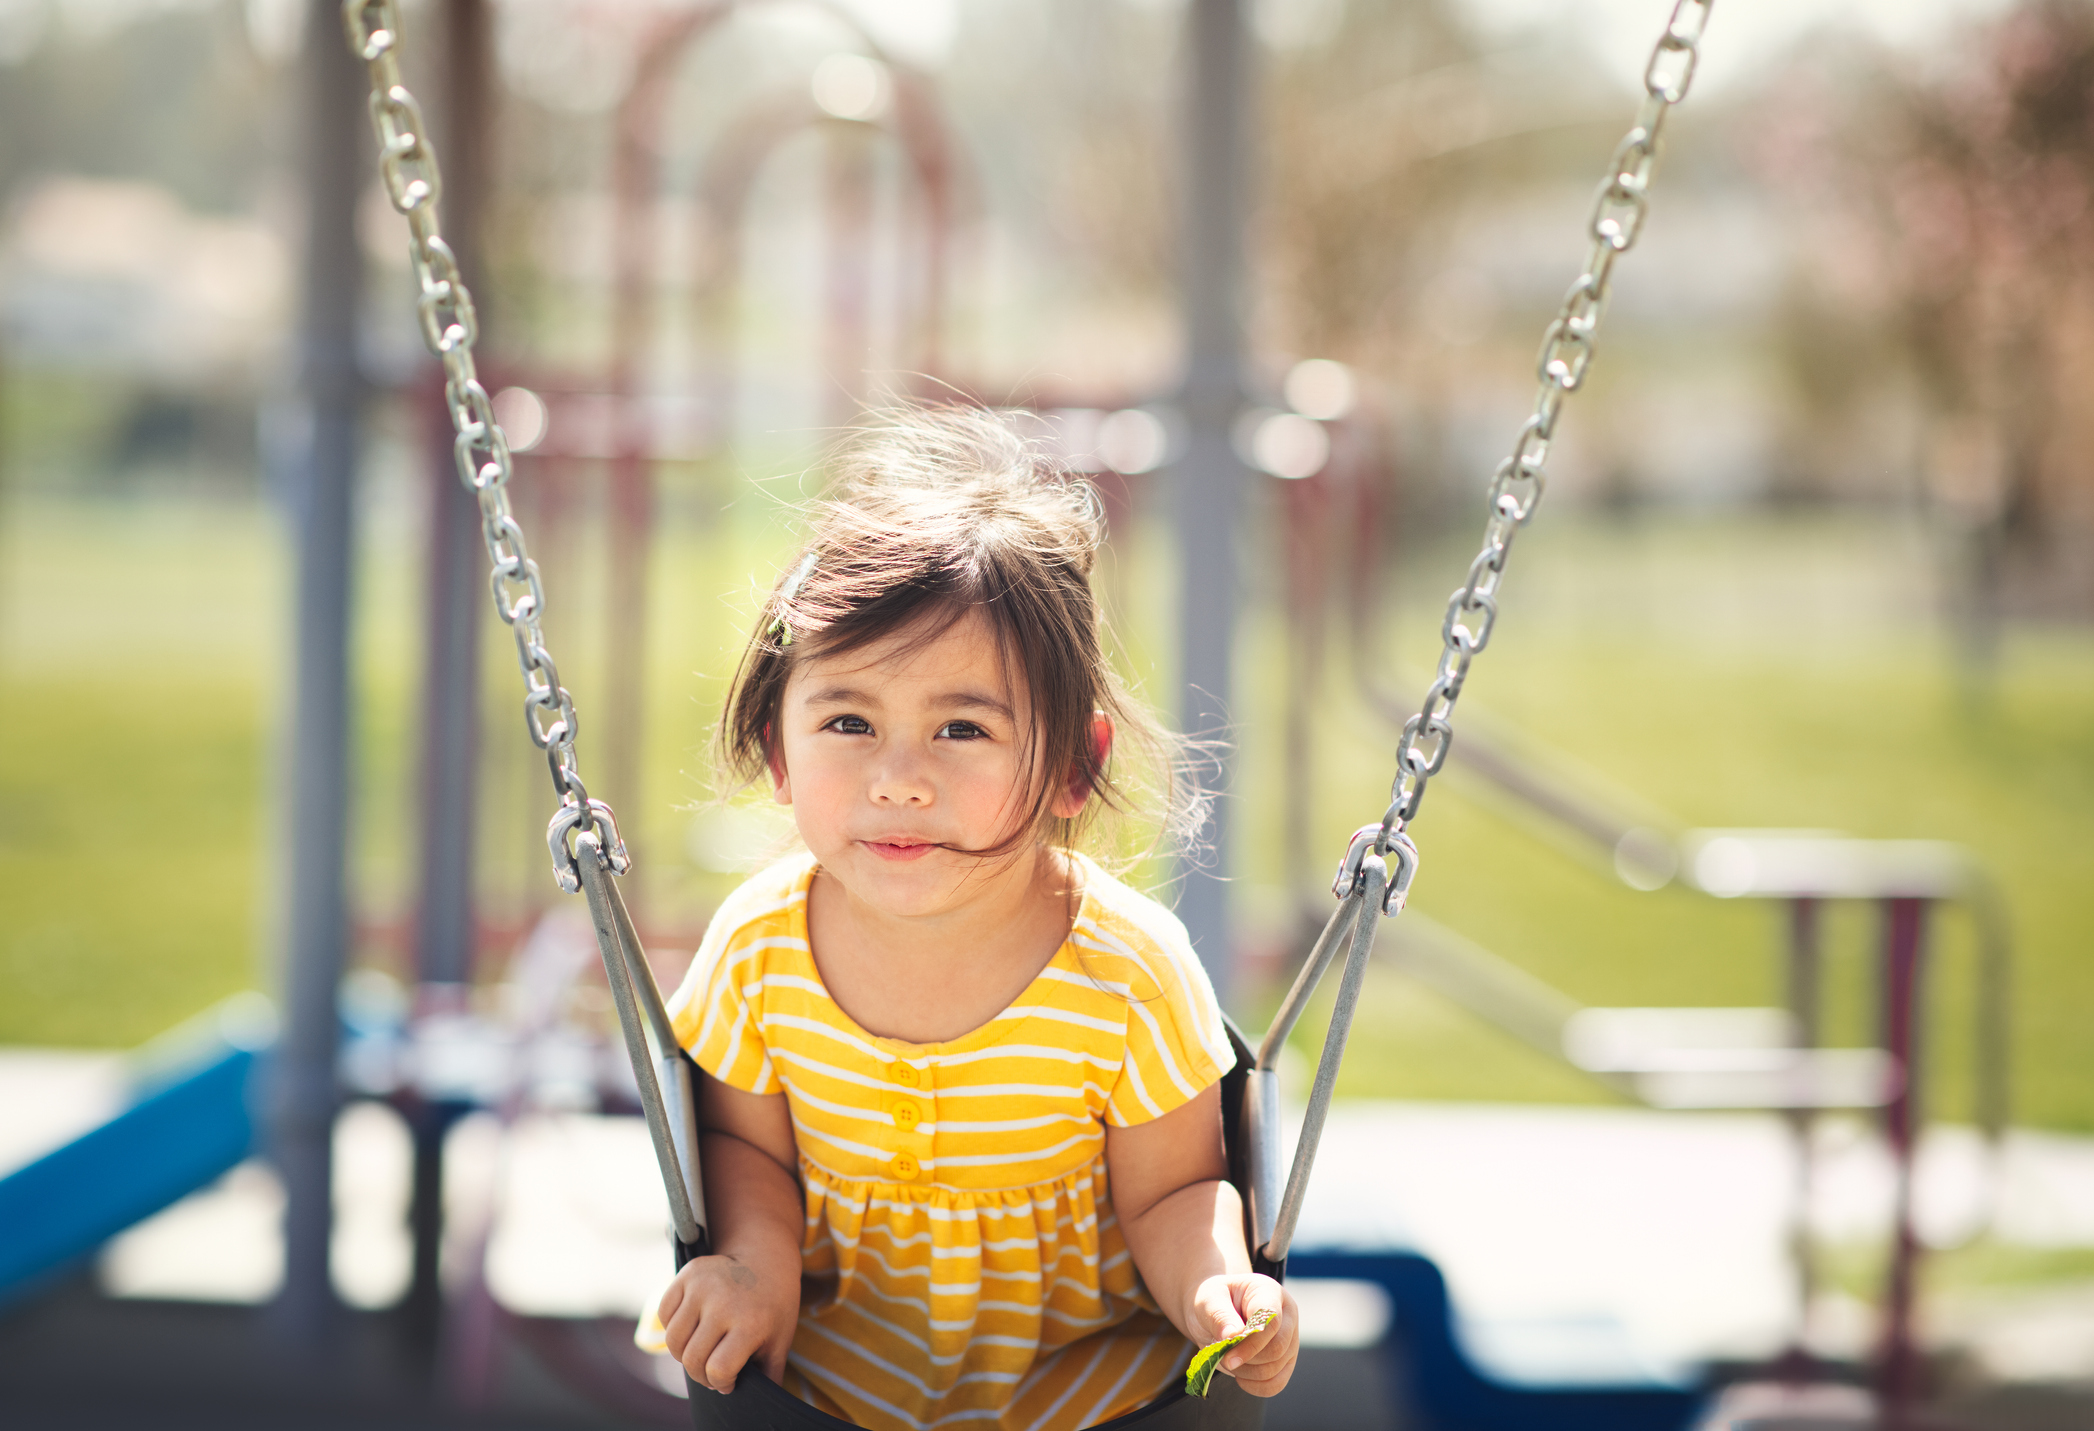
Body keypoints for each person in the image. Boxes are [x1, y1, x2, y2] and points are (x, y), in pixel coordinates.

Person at [643, 407, 1298, 1431]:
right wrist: (751, 1272)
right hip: (834, 1396)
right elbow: (748, 1157)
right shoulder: (759, 946)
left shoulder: (1127, 973)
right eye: (848, 722)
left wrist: (1216, 1289)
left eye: (962, 727)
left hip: (1092, 1399)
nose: (900, 779)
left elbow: (1175, 1196)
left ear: (1075, 765)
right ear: (779, 749)